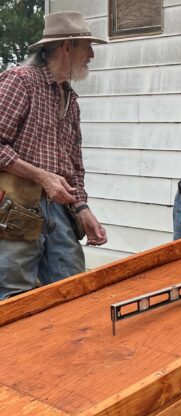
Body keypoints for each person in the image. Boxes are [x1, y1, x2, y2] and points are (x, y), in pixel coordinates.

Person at [0, 11, 108, 300]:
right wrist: (41, 176)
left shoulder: (70, 99)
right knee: (13, 297)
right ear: (67, 46)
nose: (92, 56)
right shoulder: (20, 81)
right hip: (16, 207)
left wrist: (83, 208)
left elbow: (75, 165)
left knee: (71, 291)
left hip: (60, 210)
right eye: (88, 46)